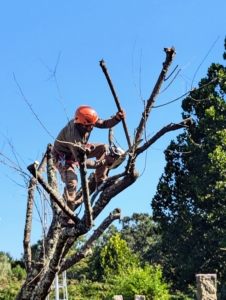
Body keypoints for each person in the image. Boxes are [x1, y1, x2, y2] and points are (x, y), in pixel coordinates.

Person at [52, 105, 126, 227]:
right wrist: (104, 162)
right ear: (81, 124)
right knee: (72, 182)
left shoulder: (87, 120)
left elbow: (102, 123)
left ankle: (100, 181)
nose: (92, 127)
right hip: (63, 158)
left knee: (102, 148)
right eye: (89, 125)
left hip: (79, 151)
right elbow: (82, 163)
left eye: (93, 124)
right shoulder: (73, 136)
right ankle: (65, 217)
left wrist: (117, 119)